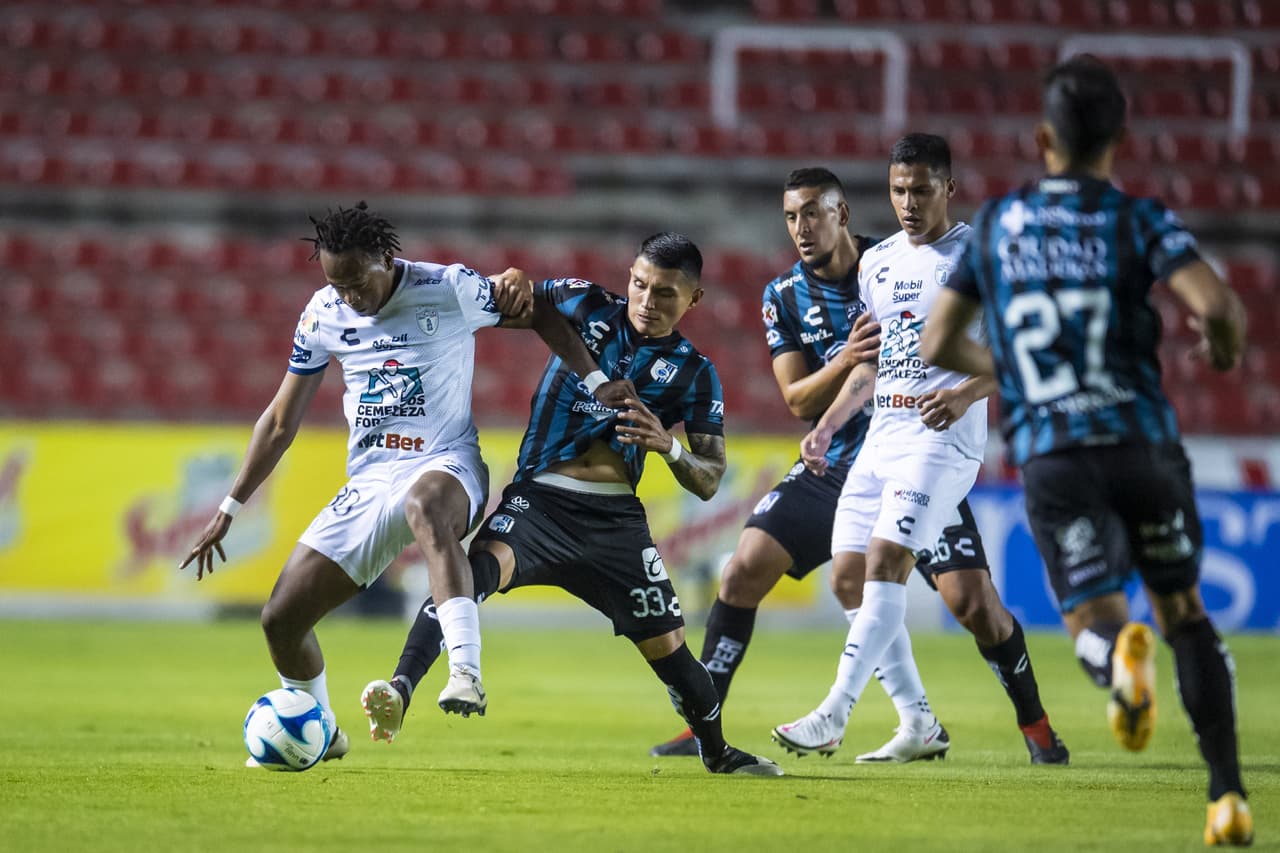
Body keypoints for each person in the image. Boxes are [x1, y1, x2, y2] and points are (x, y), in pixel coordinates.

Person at [920, 57, 1251, 846]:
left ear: (1044, 139)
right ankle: (1227, 795)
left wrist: (1022, 373)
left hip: (1055, 452)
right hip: (1141, 443)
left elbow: (937, 341)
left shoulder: (998, 223)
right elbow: (1217, 305)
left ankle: (1114, 656)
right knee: (1185, 614)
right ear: (1120, 140)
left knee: (1092, 619)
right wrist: (1224, 346)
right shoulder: (1137, 218)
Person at [651, 166, 1067, 764]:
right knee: (744, 569)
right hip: (840, 463)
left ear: (841, 214)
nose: (801, 228)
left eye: (812, 214)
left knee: (973, 604)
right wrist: (843, 362)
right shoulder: (783, 295)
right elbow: (798, 400)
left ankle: (1036, 725)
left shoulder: (895, 262)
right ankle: (704, 718)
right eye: (791, 217)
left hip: (920, 453)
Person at [360, 232, 783, 776]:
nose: (647, 301)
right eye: (640, 284)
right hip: (540, 502)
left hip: (615, 523)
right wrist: (510, 280)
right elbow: (512, 302)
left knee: (672, 655)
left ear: (694, 299)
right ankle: (400, 688)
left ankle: (717, 751)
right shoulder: (584, 303)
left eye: (665, 294)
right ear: (629, 276)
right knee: (471, 572)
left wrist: (668, 445)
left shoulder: (695, 372)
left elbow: (708, 478)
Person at [180, 201, 535, 764]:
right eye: (336, 284)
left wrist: (519, 281)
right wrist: (229, 505)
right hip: (371, 480)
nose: (348, 295)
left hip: (445, 461)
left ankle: (466, 671)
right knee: (281, 620)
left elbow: (533, 304)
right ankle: (322, 732)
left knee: (426, 506)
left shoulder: (445, 288)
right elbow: (280, 421)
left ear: (385, 260)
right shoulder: (322, 313)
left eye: (357, 282)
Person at [770, 134, 1066, 763]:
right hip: (883, 436)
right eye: (898, 190)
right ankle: (919, 725)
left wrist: (965, 394)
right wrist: (829, 423)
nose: (908, 203)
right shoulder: (876, 263)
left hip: (943, 440)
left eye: (921, 190)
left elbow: (1028, 352)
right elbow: (874, 363)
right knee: (847, 578)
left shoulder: (980, 256)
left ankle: (834, 713)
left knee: (889, 564)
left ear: (948, 188)